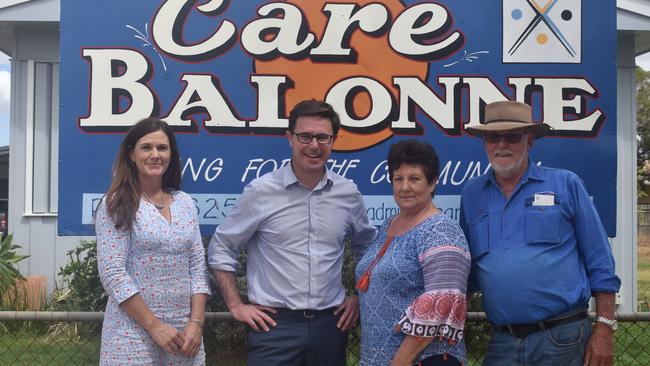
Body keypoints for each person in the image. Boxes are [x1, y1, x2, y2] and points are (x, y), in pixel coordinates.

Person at [208, 100, 377, 366]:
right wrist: (236, 305)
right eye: (305, 136)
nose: (314, 145)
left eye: (323, 137)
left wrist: (359, 294)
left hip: (330, 327)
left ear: (333, 140)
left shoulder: (348, 193)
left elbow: (369, 248)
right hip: (275, 327)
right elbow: (221, 247)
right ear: (290, 138)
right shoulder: (261, 191)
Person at [460, 101, 621, 366]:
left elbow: (600, 261)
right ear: (484, 142)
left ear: (530, 141)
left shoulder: (566, 184)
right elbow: (466, 271)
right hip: (502, 341)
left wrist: (604, 327)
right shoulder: (472, 194)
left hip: (562, 339)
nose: (502, 144)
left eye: (512, 136)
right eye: (493, 137)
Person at [95, 118, 210, 365]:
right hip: (131, 333)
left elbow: (197, 266)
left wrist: (196, 323)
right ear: (131, 155)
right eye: (146, 147)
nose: (155, 154)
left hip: (184, 336)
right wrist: (155, 327)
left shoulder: (185, 203)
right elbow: (113, 273)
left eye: (162, 148)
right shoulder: (116, 203)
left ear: (171, 155)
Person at [355, 140, 471, 366]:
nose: (405, 187)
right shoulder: (388, 225)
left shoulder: (441, 231)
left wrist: (400, 362)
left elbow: (441, 306)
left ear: (433, 182)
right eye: (398, 179)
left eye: (414, 178)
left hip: (423, 360)